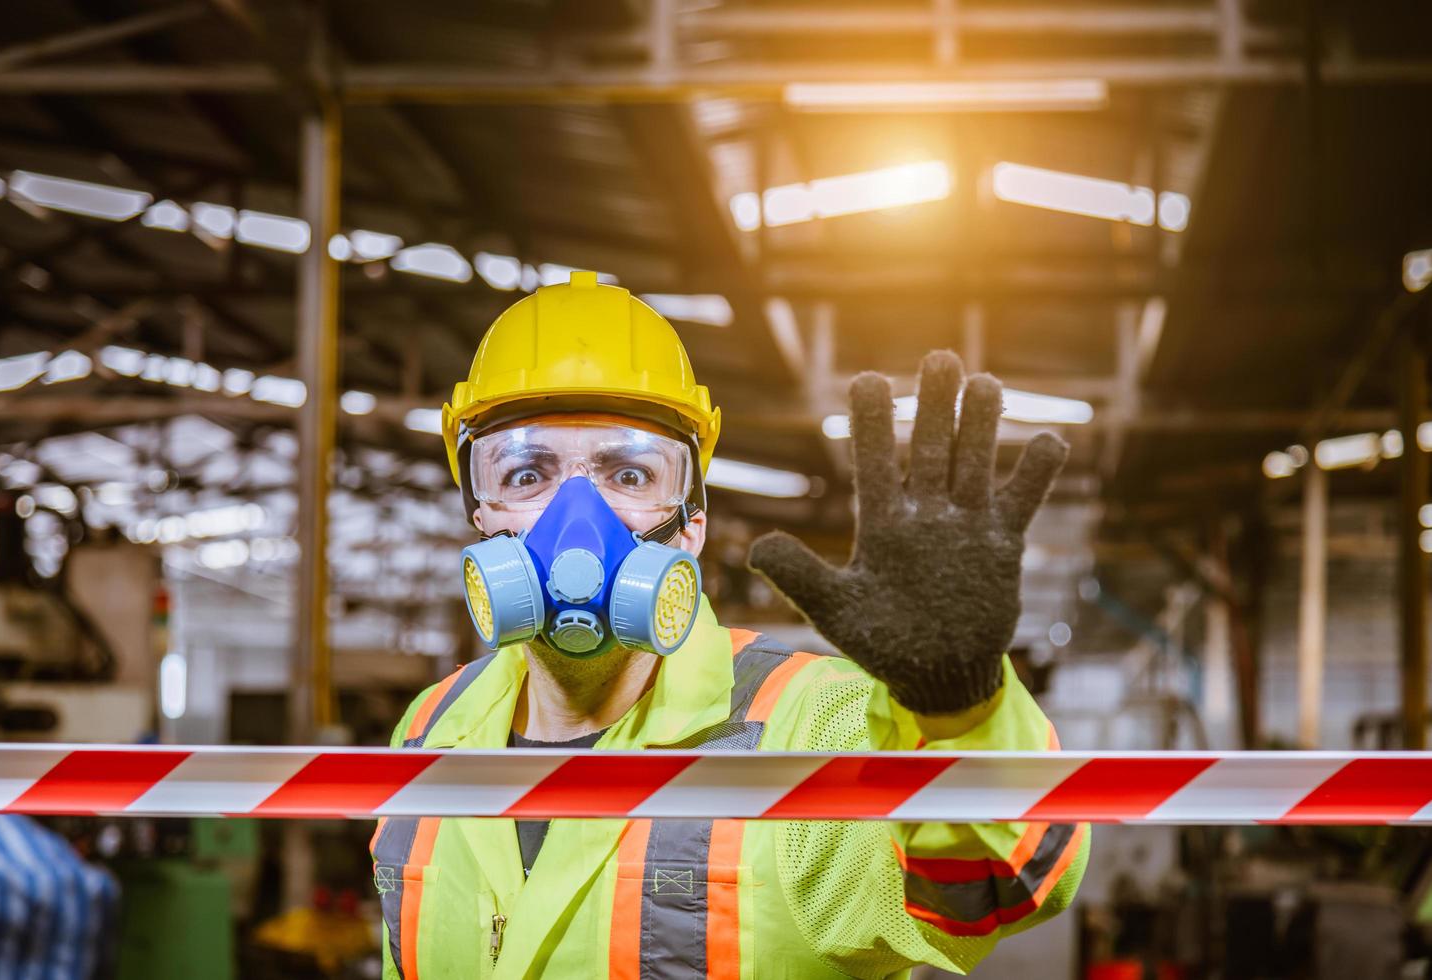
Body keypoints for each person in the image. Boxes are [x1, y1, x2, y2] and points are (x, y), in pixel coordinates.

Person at [372, 271, 1089, 978]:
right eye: (526, 475)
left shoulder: (811, 729)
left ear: (690, 525)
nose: (576, 521)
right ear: (481, 515)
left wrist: (957, 704)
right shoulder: (429, 727)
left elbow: (1002, 886)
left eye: (629, 474)